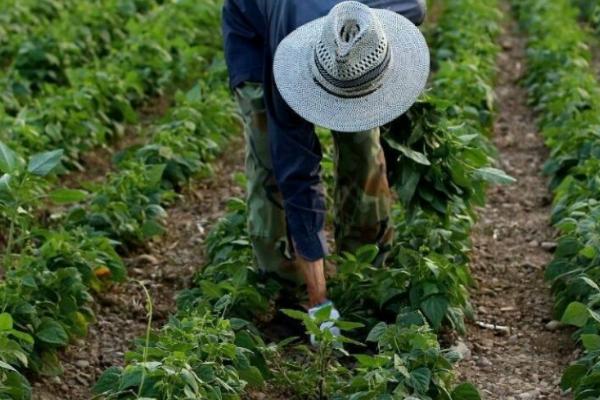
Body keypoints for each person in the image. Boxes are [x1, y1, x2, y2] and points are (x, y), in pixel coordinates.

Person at [222, 0, 430, 335]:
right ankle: (289, 294)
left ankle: (365, 277)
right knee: (270, 164)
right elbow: (297, 172)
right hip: (257, 34)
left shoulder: (401, 8)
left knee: (363, 147)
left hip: (335, 32)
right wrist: (320, 300)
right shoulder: (285, 52)